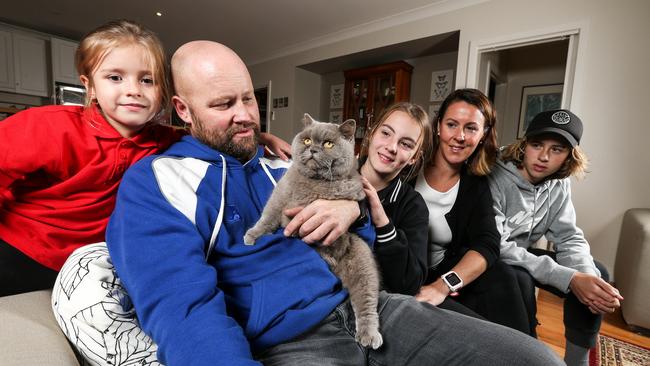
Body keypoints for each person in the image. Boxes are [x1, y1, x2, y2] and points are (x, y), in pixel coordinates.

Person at [53, 41, 563, 366]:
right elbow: (181, 308)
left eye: (248, 98)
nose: (245, 116)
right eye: (223, 104)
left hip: (373, 308)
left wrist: (354, 211)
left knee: (536, 360)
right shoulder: (158, 182)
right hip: (293, 342)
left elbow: (364, 245)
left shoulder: (283, 159)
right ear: (183, 110)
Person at [0, 20, 289, 298]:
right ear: (89, 86)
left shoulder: (163, 140)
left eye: (147, 80)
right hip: (23, 251)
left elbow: (211, 135)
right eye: (115, 77)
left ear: (163, 90)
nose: (133, 90)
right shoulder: (49, 127)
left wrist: (260, 138)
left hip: (93, 263)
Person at [488, 109, 623, 366]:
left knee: (597, 273)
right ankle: (530, 355)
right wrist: (570, 279)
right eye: (537, 144)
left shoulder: (559, 182)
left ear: (569, 157)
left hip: (522, 253)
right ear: (524, 144)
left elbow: (569, 236)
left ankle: (577, 362)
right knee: (522, 277)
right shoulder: (494, 175)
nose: (544, 156)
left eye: (557, 149)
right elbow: (498, 246)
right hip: (490, 255)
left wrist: (586, 279)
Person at [413, 88, 531, 329]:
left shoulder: (475, 184)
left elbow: (487, 243)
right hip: (402, 270)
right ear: (438, 126)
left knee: (510, 277)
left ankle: (526, 354)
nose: (460, 136)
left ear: (483, 134)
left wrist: (444, 285)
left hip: (440, 273)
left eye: (471, 128)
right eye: (452, 124)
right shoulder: (409, 164)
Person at [358, 102, 432, 295]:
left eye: (406, 144)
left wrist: (382, 221)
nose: (391, 147)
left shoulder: (413, 205)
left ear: (414, 157)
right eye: (386, 133)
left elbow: (410, 283)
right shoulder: (333, 172)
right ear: (372, 132)